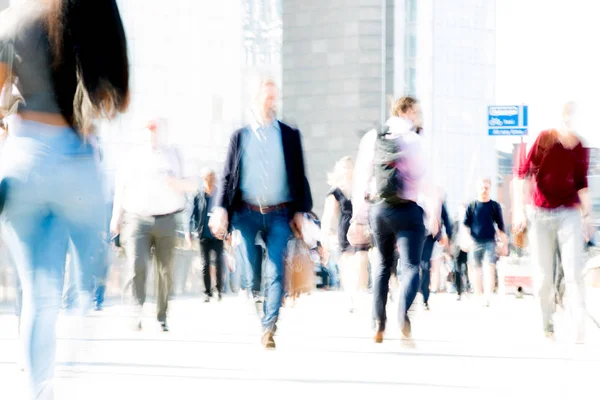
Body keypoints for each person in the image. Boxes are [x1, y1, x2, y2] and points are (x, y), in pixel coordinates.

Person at [0, 1, 129, 398]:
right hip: (73, 161)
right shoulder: (92, 11)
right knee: (88, 279)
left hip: (22, 159)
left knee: (38, 293)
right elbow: (115, 100)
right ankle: (72, 363)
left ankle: (40, 391)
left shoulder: (15, 15)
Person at [209, 79, 313, 349]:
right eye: (267, 97)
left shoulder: (289, 135)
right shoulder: (240, 136)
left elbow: (299, 175)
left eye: (274, 97)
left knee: (277, 268)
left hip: (280, 213)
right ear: (255, 100)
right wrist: (221, 210)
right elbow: (228, 175)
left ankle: (269, 327)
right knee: (253, 271)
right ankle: (257, 298)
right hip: (246, 214)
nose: (272, 102)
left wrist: (301, 211)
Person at [349, 96, 439, 343]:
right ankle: (402, 312)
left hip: (379, 209)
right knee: (411, 267)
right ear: (406, 111)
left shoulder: (373, 137)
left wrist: (358, 215)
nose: (419, 116)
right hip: (408, 210)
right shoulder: (414, 140)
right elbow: (427, 181)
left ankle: (379, 323)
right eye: (417, 111)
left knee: (381, 266)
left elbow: (361, 178)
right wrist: (434, 212)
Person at [513, 101, 590, 342]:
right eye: (564, 116)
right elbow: (523, 175)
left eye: (571, 116)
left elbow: (581, 184)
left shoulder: (580, 147)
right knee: (544, 276)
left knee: (574, 272)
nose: (567, 120)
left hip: (569, 213)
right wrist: (518, 211)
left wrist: (587, 217)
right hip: (540, 214)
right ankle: (547, 325)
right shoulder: (544, 139)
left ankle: (578, 326)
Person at [110, 119, 187, 332]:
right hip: (137, 219)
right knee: (137, 265)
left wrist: (178, 185)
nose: (153, 135)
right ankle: (135, 310)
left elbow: (185, 185)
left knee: (165, 271)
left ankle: (162, 316)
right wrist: (116, 217)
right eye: (149, 130)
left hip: (167, 218)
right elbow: (121, 187)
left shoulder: (173, 155)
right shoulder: (132, 156)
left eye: (157, 130)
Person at [321, 156, 369, 312]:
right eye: (344, 167)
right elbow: (328, 215)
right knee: (347, 265)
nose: (347, 170)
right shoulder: (335, 191)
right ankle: (350, 296)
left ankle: (361, 292)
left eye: (349, 166)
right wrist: (325, 238)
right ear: (338, 170)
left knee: (362, 261)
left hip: (361, 228)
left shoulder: (360, 188)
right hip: (344, 229)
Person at [463, 178, 506, 307]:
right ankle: (478, 294)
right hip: (475, 242)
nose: (484, 190)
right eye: (482, 187)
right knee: (474, 269)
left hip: (490, 242)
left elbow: (501, 226)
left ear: (490, 188)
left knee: (489, 268)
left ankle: (487, 296)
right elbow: (465, 225)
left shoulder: (494, 206)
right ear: (478, 188)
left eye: (486, 187)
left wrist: (504, 244)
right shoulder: (472, 206)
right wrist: (466, 239)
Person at [188, 168, 224, 302]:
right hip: (203, 234)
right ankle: (207, 292)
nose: (211, 180)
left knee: (219, 262)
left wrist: (228, 231)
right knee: (205, 264)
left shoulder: (219, 195)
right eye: (208, 177)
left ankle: (219, 290)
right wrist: (190, 232)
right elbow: (193, 215)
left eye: (213, 177)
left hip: (218, 234)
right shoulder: (199, 195)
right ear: (204, 179)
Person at [420, 197, 452, 310]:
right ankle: (416, 293)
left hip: (429, 236)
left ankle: (424, 298)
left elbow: (445, 218)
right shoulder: (415, 195)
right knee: (415, 266)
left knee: (425, 266)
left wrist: (448, 235)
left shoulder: (436, 198)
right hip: (413, 234)